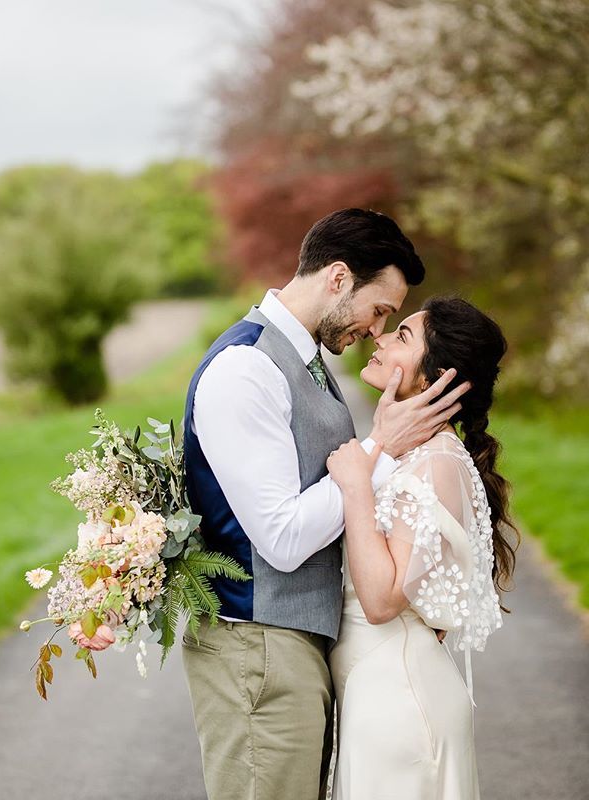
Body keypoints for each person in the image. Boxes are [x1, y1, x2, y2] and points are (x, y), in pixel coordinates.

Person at [181, 208, 469, 800]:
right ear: (338, 278)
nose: (375, 329)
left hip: (294, 645)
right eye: (380, 309)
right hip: (256, 644)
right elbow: (283, 537)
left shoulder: (307, 359)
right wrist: (380, 448)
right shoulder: (246, 368)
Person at [326, 296, 519, 800]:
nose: (380, 336)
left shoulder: (436, 462)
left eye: (402, 337)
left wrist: (356, 487)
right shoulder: (419, 455)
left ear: (436, 378)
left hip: (400, 702)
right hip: (377, 690)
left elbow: (383, 600)